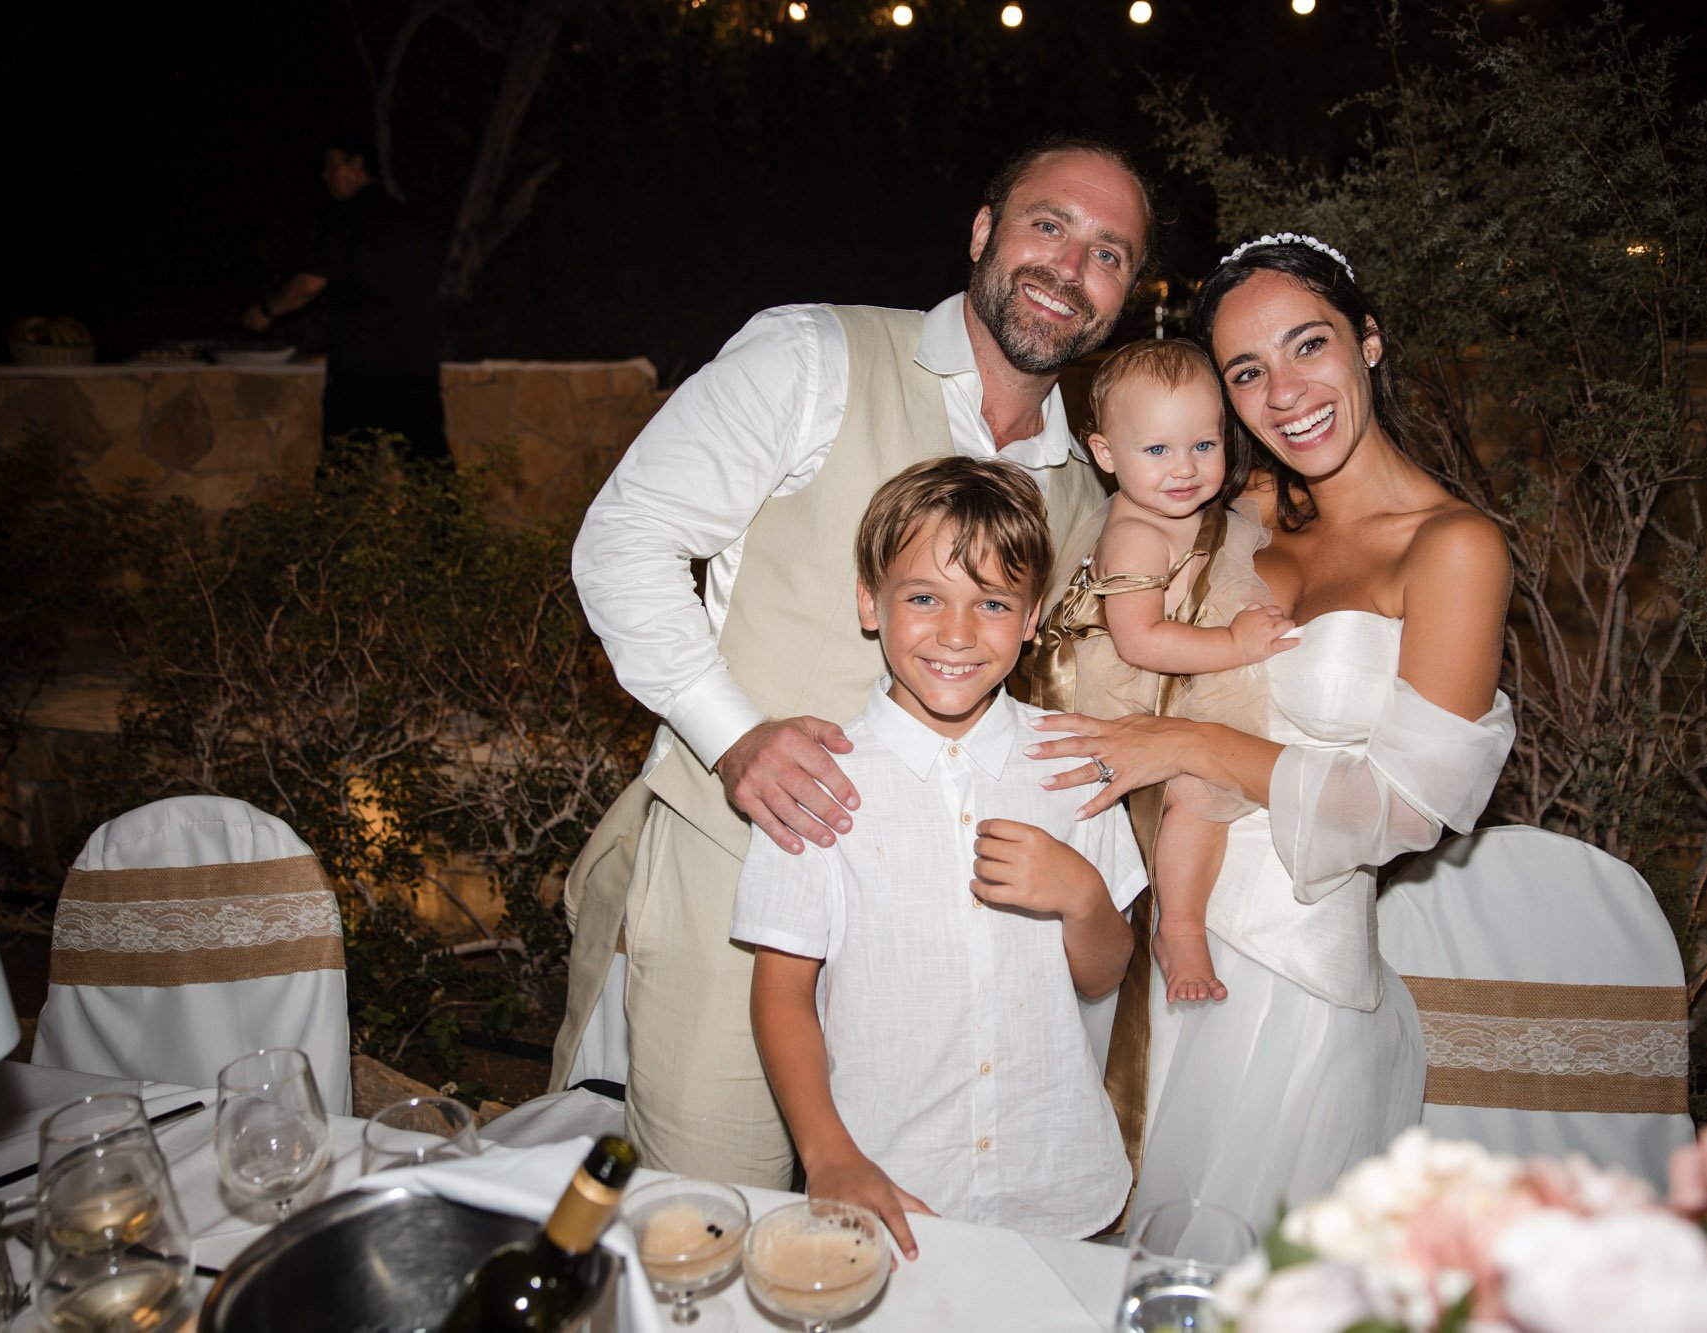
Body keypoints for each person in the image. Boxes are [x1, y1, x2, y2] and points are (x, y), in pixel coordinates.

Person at [551, 138, 1156, 1187]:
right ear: (982, 232)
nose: (1068, 266)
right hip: (736, 889)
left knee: (903, 1245)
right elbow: (623, 538)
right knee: (715, 1218)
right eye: (1046, 224)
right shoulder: (813, 357)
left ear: (1127, 294)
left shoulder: (1085, 496)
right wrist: (733, 735)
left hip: (932, 951)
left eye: (1107, 252)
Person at [1030, 233, 1517, 1226]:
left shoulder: (1452, 547)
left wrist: (1187, 749)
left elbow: (1410, 806)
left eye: (1308, 345)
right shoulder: (1233, 505)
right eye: (1247, 371)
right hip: (1136, 925)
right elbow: (1105, 624)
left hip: (1284, 961)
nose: (1283, 392)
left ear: (1367, 341)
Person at [733, 458, 1142, 1253]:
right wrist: (829, 1155)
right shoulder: (817, 780)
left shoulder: (1073, 760)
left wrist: (1083, 896)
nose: (957, 633)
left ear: (1031, 619)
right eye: (924, 597)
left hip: (1058, 1186)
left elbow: (1105, 973)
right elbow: (782, 996)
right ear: (868, 602)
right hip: (888, 1189)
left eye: (991, 602)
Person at [1028, 338, 1297, 1004]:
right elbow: (1141, 639)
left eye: (1204, 446)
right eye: (1157, 451)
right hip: (1131, 685)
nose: (1185, 469)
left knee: (1208, 785)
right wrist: (1235, 644)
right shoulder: (1137, 534)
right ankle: (1180, 928)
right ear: (1106, 454)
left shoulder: (1182, 510)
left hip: (1177, 666)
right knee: (1198, 794)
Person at [244, 136, 449, 466]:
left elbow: (309, 285)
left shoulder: (350, 220)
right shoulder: (410, 221)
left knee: (345, 477)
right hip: (415, 369)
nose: (324, 176)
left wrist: (266, 311)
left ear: (356, 167)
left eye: (331, 166)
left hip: (363, 372)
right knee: (428, 474)